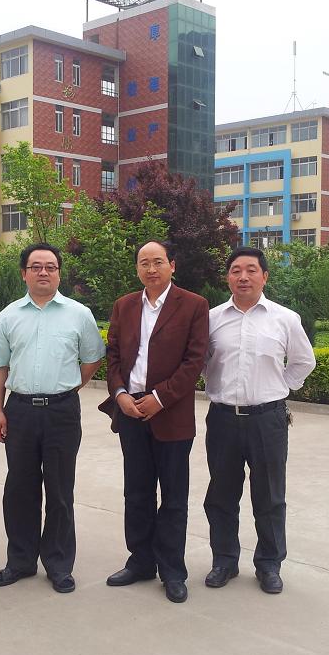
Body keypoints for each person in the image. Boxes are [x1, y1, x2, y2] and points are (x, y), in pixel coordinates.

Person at [0, 243, 105, 594]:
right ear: (24, 273)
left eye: (50, 267)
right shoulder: (9, 315)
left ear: (59, 273)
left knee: (60, 489)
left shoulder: (79, 314)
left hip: (62, 413)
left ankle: (58, 564)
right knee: (19, 489)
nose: (43, 272)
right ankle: (20, 561)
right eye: (36, 266)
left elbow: (92, 359)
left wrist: (67, 388)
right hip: (20, 410)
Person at [99, 241, 208, 603]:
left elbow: (194, 361)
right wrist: (120, 394)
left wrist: (159, 398)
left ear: (172, 265)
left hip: (171, 414)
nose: (151, 269)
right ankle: (141, 561)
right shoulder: (124, 305)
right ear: (137, 268)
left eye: (158, 262)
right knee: (137, 492)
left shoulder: (193, 305)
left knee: (174, 497)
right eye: (144, 263)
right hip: (130, 411)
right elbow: (113, 355)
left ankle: (172, 570)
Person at [203, 246, 316, 594]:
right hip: (222, 419)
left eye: (251, 270)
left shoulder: (285, 319)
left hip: (268, 420)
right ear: (227, 278)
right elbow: (200, 360)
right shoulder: (211, 319)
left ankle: (269, 564)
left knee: (269, 496)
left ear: (264, 276)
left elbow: (304, 361)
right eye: (236, 270)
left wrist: (280, 387)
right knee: (221, 495)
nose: (243, 277)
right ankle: (224, 560)